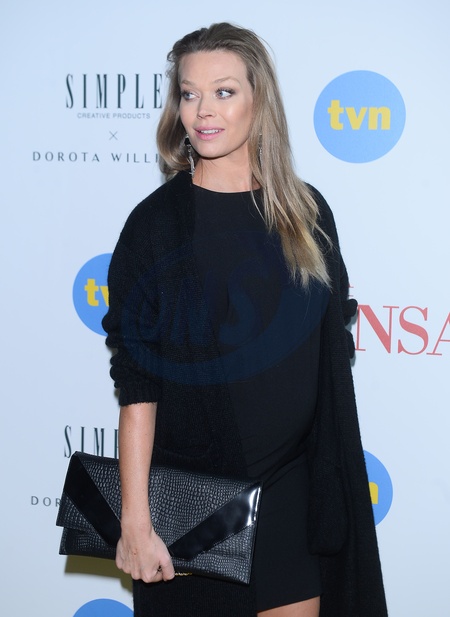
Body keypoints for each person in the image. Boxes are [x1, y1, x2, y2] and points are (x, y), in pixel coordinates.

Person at [102, 22, 388, 617]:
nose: (203, 110)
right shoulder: (155, 226)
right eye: (189, 93)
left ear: (260, 102)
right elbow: (137, 385)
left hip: (293, 491)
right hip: (199, 499)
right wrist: (135, 520)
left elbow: (328, 351)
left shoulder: (307, 212)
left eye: (224, 92)